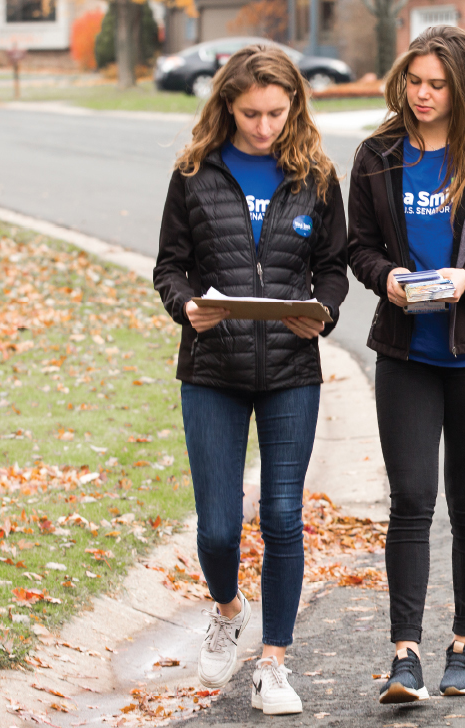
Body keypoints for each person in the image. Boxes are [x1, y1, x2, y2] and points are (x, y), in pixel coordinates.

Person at [347, 26, 465, 703]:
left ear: (462, 88)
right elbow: (359, 247)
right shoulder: (377, 155)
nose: (421, 95)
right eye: (413, 81)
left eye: (436, 85)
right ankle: (405, 656)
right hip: (407, 353)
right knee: (409, 501)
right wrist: (389, 277)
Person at [154, 45, 347, 716]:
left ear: (294, 104)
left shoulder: (317, 176)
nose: (264, 127)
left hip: (291, 370)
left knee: (285, 516)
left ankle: (274, 664)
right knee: (216, 529)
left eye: (275, 112)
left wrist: (322, 315)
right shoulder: (193, 173)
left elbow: (332, 268)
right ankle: (228, 608)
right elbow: (169, 269)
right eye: (249, 114)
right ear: (226, 107)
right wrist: (187, 308)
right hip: (213, 370)